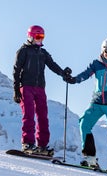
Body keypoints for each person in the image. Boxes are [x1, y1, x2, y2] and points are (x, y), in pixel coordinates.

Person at [66, 37, 107, 173]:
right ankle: (90, 157)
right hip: (97, 102)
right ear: (103, 49)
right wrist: (74, 80)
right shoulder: (96, 64)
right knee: (84, 123)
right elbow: (85, 74)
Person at [12, 24, 71, 154]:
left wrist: (63, 73)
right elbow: (16, 70)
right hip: (26, 86)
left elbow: (52, 65)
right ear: (31, 36)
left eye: (42, 37)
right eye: (38, 36)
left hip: (40, 88)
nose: (40, 39)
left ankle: (42, 146)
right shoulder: (23, 51)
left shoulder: (42, 53)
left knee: (43, 116)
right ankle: (28, 143)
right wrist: (16, 89)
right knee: (28, 115)